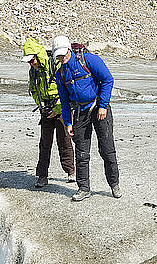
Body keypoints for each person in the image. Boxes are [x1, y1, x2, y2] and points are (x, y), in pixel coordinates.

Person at [52, 36, 121, 202]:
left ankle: (114, 184)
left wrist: (103, 105)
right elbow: (64, 100)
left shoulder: (88, 60)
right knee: (81, 153)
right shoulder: (60, 73)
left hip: (98, 109)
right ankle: (83, 188)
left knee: (107, 149)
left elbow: (107, 79)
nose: (62, 58)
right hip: (80, 113)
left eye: (63, 54)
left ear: (69, 49)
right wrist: (68, 122)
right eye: (58, 56)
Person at [22, 37, 75, 188]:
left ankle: (70, 171)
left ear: (38, 56)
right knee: (45, 143)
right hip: (45, 109)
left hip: (61, 108)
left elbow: (67, 89)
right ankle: (42, 176)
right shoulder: (34, 72)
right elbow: (33, 90)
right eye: (29, 62)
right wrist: (41, 106)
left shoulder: (56, 64)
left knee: (64, 140)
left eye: (32, 60)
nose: (31, 64)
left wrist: (58, 109)